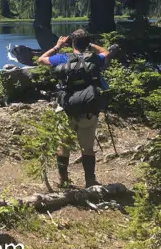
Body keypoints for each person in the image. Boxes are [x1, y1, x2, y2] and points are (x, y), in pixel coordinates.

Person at [38, 29, 111, 188]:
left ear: (71, 43)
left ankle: (64, 180)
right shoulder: (94, 58)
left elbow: (41, 59)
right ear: (87, 43)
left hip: (66, 108)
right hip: (88, 108)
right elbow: (106, 52)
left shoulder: (62, 58)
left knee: (63, 146)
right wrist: (90, 44)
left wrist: (58, 46)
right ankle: (90, 181)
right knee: (87, 147)